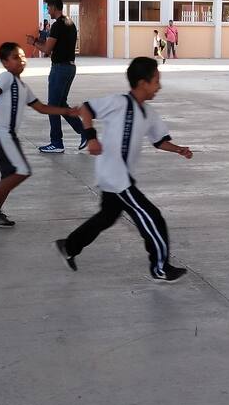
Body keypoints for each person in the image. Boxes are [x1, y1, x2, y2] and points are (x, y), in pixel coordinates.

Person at [53, 57, 193, 282]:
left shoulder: (149, 114)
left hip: (119, 177)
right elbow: (87, 109)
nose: (159, 86)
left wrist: (179, 150)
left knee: (107, 217)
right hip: (115, 176)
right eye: (156, 81)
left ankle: (69, 246)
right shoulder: (118, 103)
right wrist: (91, 138)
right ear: (141, 83)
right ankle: (160, 267)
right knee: (152, 216)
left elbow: (159, 141)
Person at [0, 42, 79, 228]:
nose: (21, 60)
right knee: (21, 170)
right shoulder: (6, 77)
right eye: (15, 57)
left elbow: (41, 108)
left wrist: (67, 111)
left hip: (6, 135)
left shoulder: (22, 87)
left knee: (9, 175)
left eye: (22, 56)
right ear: (5, 63)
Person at [27, 0, 87, 153]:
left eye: (48, 8)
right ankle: (85, 133)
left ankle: (56, 143)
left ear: (54, 7)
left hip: (60, 69)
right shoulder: (70, 23)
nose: (48, 11)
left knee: (52, 106)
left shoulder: (57, 25)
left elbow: (47, 50)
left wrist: (33, 42)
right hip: (70, 68)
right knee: (60, 105)